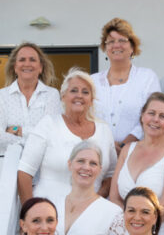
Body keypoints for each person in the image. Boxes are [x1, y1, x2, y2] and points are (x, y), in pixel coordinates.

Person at [17, 68, 116, 204]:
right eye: (74, 90)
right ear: (63, 96)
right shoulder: (48, 125)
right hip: (50, 215)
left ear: (91, 100)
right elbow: (24, 172)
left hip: (90, 214)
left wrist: (95, 201)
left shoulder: (104, 131)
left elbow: (111, 175)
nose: (79, 95)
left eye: (85, 92)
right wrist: (29, 212)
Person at [109, 92, 164, 235]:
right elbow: (114, 197)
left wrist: (141, 227)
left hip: (162, 234)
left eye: (162, 116)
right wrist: (130, 227)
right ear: (142, 116)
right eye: (151, 113)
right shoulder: (128, 149)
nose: (155, 120)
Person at [91, 17, 161, 153]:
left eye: (122, 40)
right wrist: (108, 147)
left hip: (138, 153)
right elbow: (86, 118)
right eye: (111, 41)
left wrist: (124, 145)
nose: (116, 45)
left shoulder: (147, 77)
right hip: (99, 154)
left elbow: (153, 116)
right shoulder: (92, 82)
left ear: (132, 47)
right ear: (105, 48)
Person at [0, 41, 61, 151]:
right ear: (15, 67)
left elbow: (51, 134)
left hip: (41, 167)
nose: (27, 64)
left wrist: (18, 130)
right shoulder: (1, 96)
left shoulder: (52, 95)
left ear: (40, 67)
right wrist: (31, 141)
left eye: (32, 59)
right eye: (22, 60)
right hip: (10, 165)